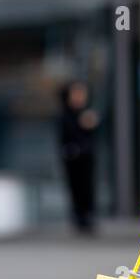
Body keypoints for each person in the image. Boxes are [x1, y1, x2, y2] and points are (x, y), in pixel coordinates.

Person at [57, 81, 99, 235]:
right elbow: (64, 137)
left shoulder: (87, 113)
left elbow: (92, 135)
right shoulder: (65, 115)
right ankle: (78, 217)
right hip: (71, 158)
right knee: (75, 188)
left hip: (86, 157)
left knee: (87, 187)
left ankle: (88, 216)